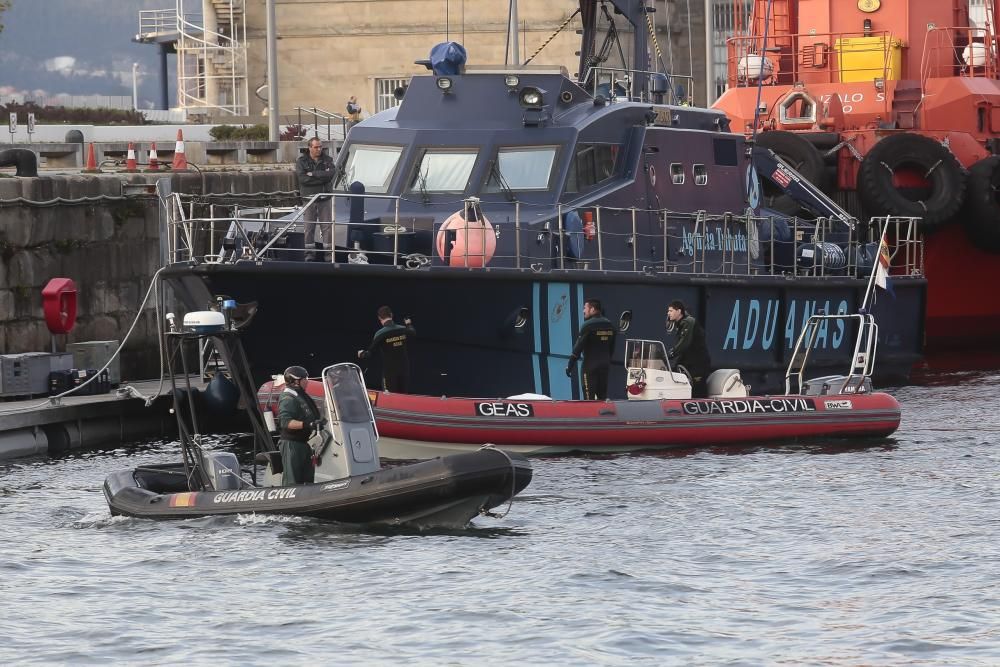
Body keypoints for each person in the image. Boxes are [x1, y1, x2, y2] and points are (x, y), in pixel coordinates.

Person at [277, 365, 321, 485]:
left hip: (303, 443)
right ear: (295, 381)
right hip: (292, 445)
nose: (307, 382)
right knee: (293, 481)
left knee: (307, 478)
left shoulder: (299, 395)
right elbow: (286, 422)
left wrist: (319, 423)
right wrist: (308, 424)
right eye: (304, 379)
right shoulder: (288, 398)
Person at [295, 137, 337, 261]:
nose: (319, 149)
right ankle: (309, 255)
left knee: (327, 228)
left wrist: (313, 174)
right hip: (309, 199)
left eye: (320, 147)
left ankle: (329, 255)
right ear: (309, 148)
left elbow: (331, 175)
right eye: (316, 147)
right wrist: (322, 177)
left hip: (325, 198)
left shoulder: (327, 160)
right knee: (309, 228)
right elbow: (303, 179)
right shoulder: (301, 161)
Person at [566, 298, 617, 400]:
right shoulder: (610, 325)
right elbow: (612, 348)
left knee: (589, 399)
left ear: (592, 309)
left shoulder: (588, 325)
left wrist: (570, 366)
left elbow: (577, 348)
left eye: (585, 308)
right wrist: (607, 361)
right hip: (604, 366)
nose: (583, 311)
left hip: (590, 366)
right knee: (602, 397)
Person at [357, 306, 416, 393]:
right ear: (391, 315)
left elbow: (369, 354)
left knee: (389, 397)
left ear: (379, 318)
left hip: (389, 372)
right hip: (404, 369)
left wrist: (361, 354)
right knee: (403, 396)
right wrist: (408, 324)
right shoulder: (403, 329)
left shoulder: (380, 334)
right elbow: (412, 332)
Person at [666, 300, 711, 398]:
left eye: (671, 311)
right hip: (689, 361)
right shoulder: (680, 324)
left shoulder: (688, 322)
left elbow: (684, 343)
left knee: (698, 390)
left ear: (679, 311)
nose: (668, 313)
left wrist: (671, 354)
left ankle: (702, 408)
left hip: (698, 363)